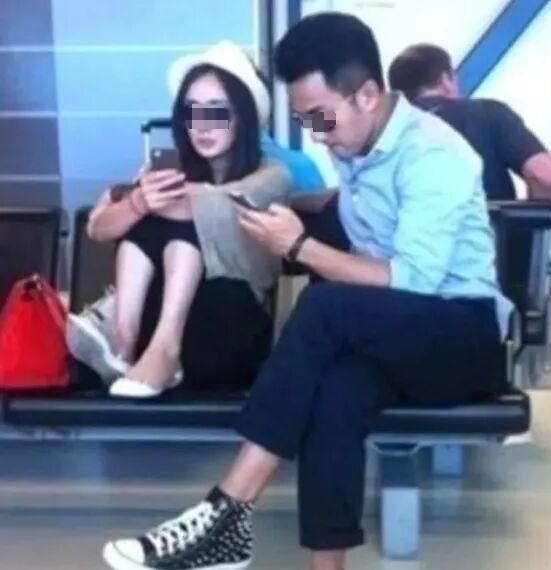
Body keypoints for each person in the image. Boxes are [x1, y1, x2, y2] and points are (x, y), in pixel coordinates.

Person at [102, 13, 513, 570]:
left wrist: (299, 246)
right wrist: (293, 207)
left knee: (322, 306)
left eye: (321, 117)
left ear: (367, 95)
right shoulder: (357, 144)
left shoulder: (433, 154)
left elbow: (414, 281)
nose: (317, 134)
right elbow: (361, 211)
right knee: (335, 392)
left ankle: (227, 513)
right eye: (304, 120)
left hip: (460, 337)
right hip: (397, 335)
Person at [69, 42, 291, 398]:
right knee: (150, 215)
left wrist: (139, 199)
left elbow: (206, 207)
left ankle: (161, 349)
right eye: (192, 113)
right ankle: (123, 341)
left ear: (244, 117)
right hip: (160, 318)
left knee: (181, 216)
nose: (202, 126)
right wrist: (137, 201)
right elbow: (97, 228)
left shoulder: (272, 175)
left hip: (229, 320)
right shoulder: (170, 173)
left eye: (216, 112)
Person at [388, 43, 551, 201]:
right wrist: (531, 221)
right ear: (445, 81)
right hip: (489, 225)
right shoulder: (489, 113)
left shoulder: (386, 130)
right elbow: (545, 176)